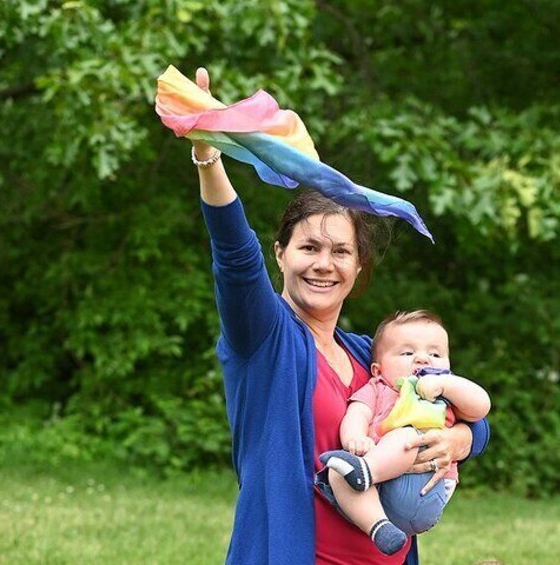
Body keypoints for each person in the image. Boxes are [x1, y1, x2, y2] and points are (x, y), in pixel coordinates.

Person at [186, 68, 490, 564]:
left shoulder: (370, 352)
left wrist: (458, 439)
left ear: (358, 266)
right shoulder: (265, 340)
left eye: (340, 252)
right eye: (309, 247)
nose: (324, 264)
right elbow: (235, 259)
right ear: (280, 254)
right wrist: (208, 156)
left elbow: (471, 416)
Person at [320, 310, 491, 555]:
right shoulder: (377, 388)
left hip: (425, 485)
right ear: (378, 370)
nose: (423, 359)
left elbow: (481, 407)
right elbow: (357, 414)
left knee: (407, 435)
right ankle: (379, 527)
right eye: (407, 353)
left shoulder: (448, 393)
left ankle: (368, 472)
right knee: (338, 470)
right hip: (374, 496)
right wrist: (354, 438)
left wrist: (446, 385)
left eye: (435, 354)